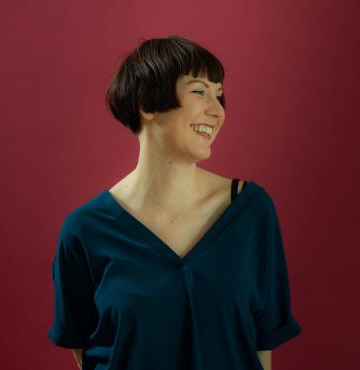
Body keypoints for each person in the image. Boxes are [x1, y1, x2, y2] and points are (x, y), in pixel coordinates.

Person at [47, 35, 302, 370]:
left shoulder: (252, 212)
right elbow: (82, 349)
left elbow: (262, 344)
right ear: (148, 106)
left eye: (219, 94)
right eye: (199, 91)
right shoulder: (84, 231)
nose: (217, 110)